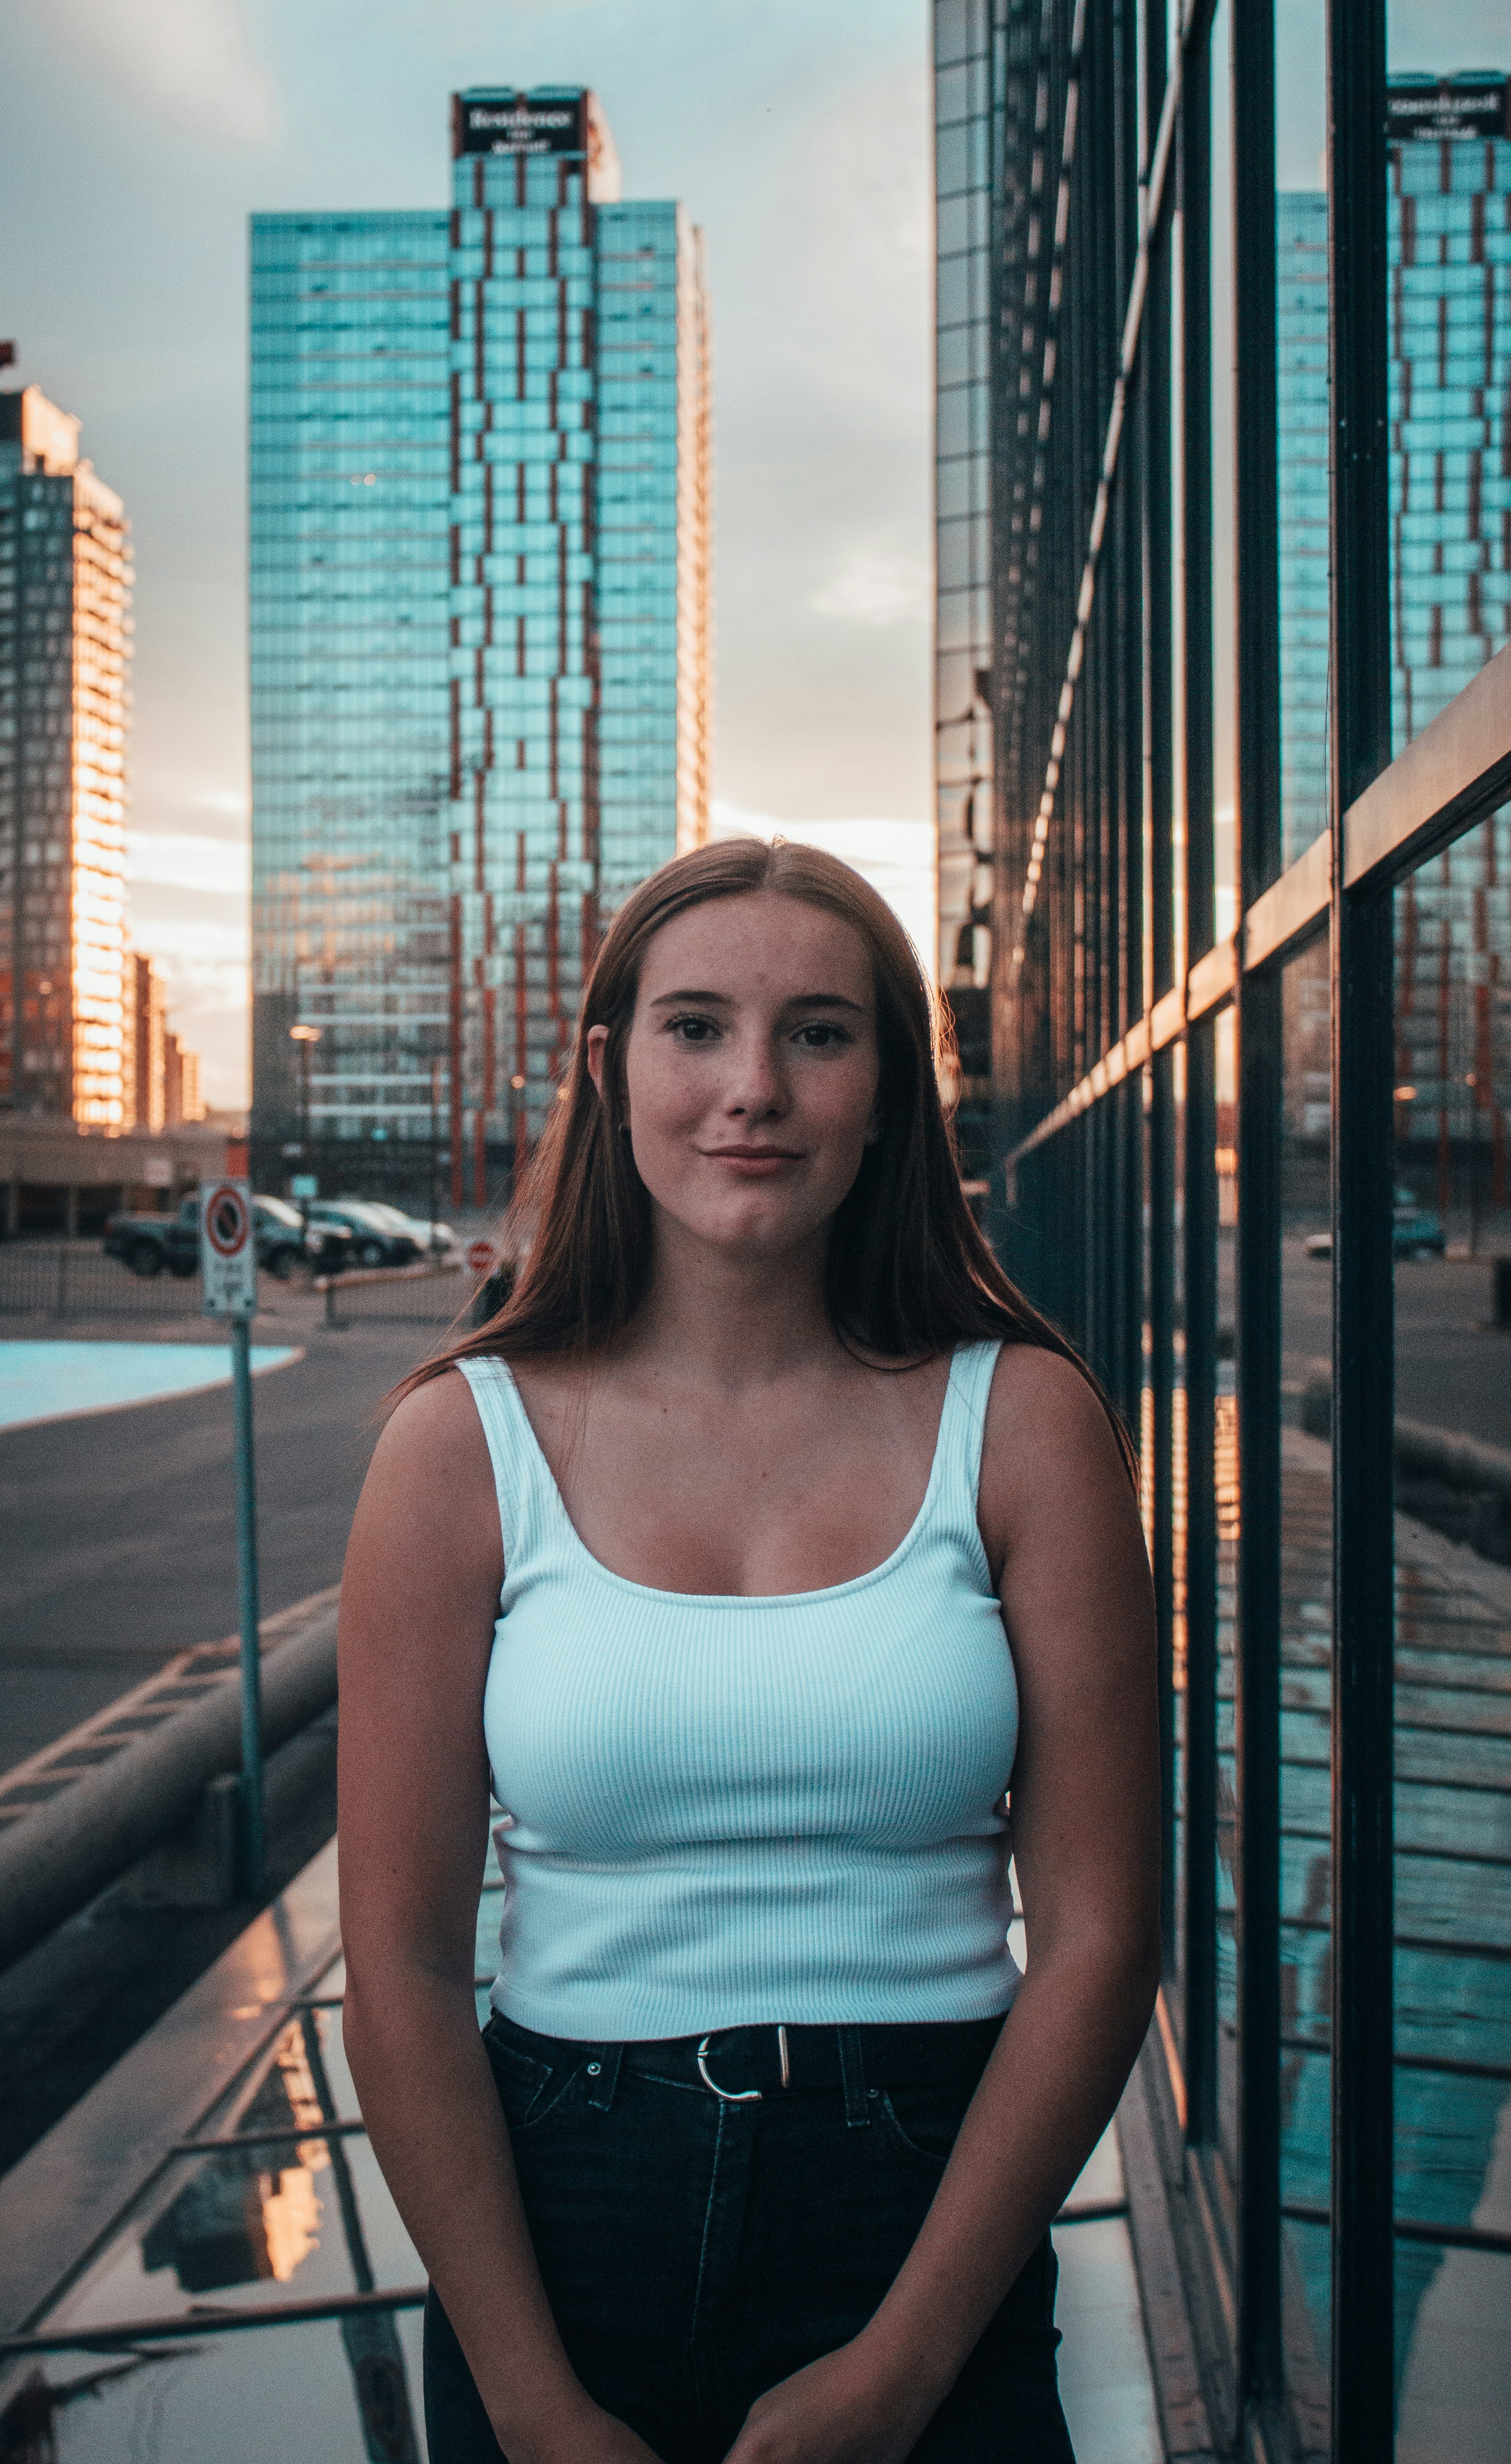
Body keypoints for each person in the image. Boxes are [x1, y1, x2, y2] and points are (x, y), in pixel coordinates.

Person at [338, 838, 1160, 2464]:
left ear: (891, 1086)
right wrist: (534, 2408)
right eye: (697, 1026)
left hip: (931, 2200)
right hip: (557, 2219)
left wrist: (909, 2367)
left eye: (820, 1033)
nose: (754, 1091)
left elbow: (1098, 1936)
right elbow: (408, 1973)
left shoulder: (1025, 1425)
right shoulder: (457, 1447)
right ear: (610, 1066)